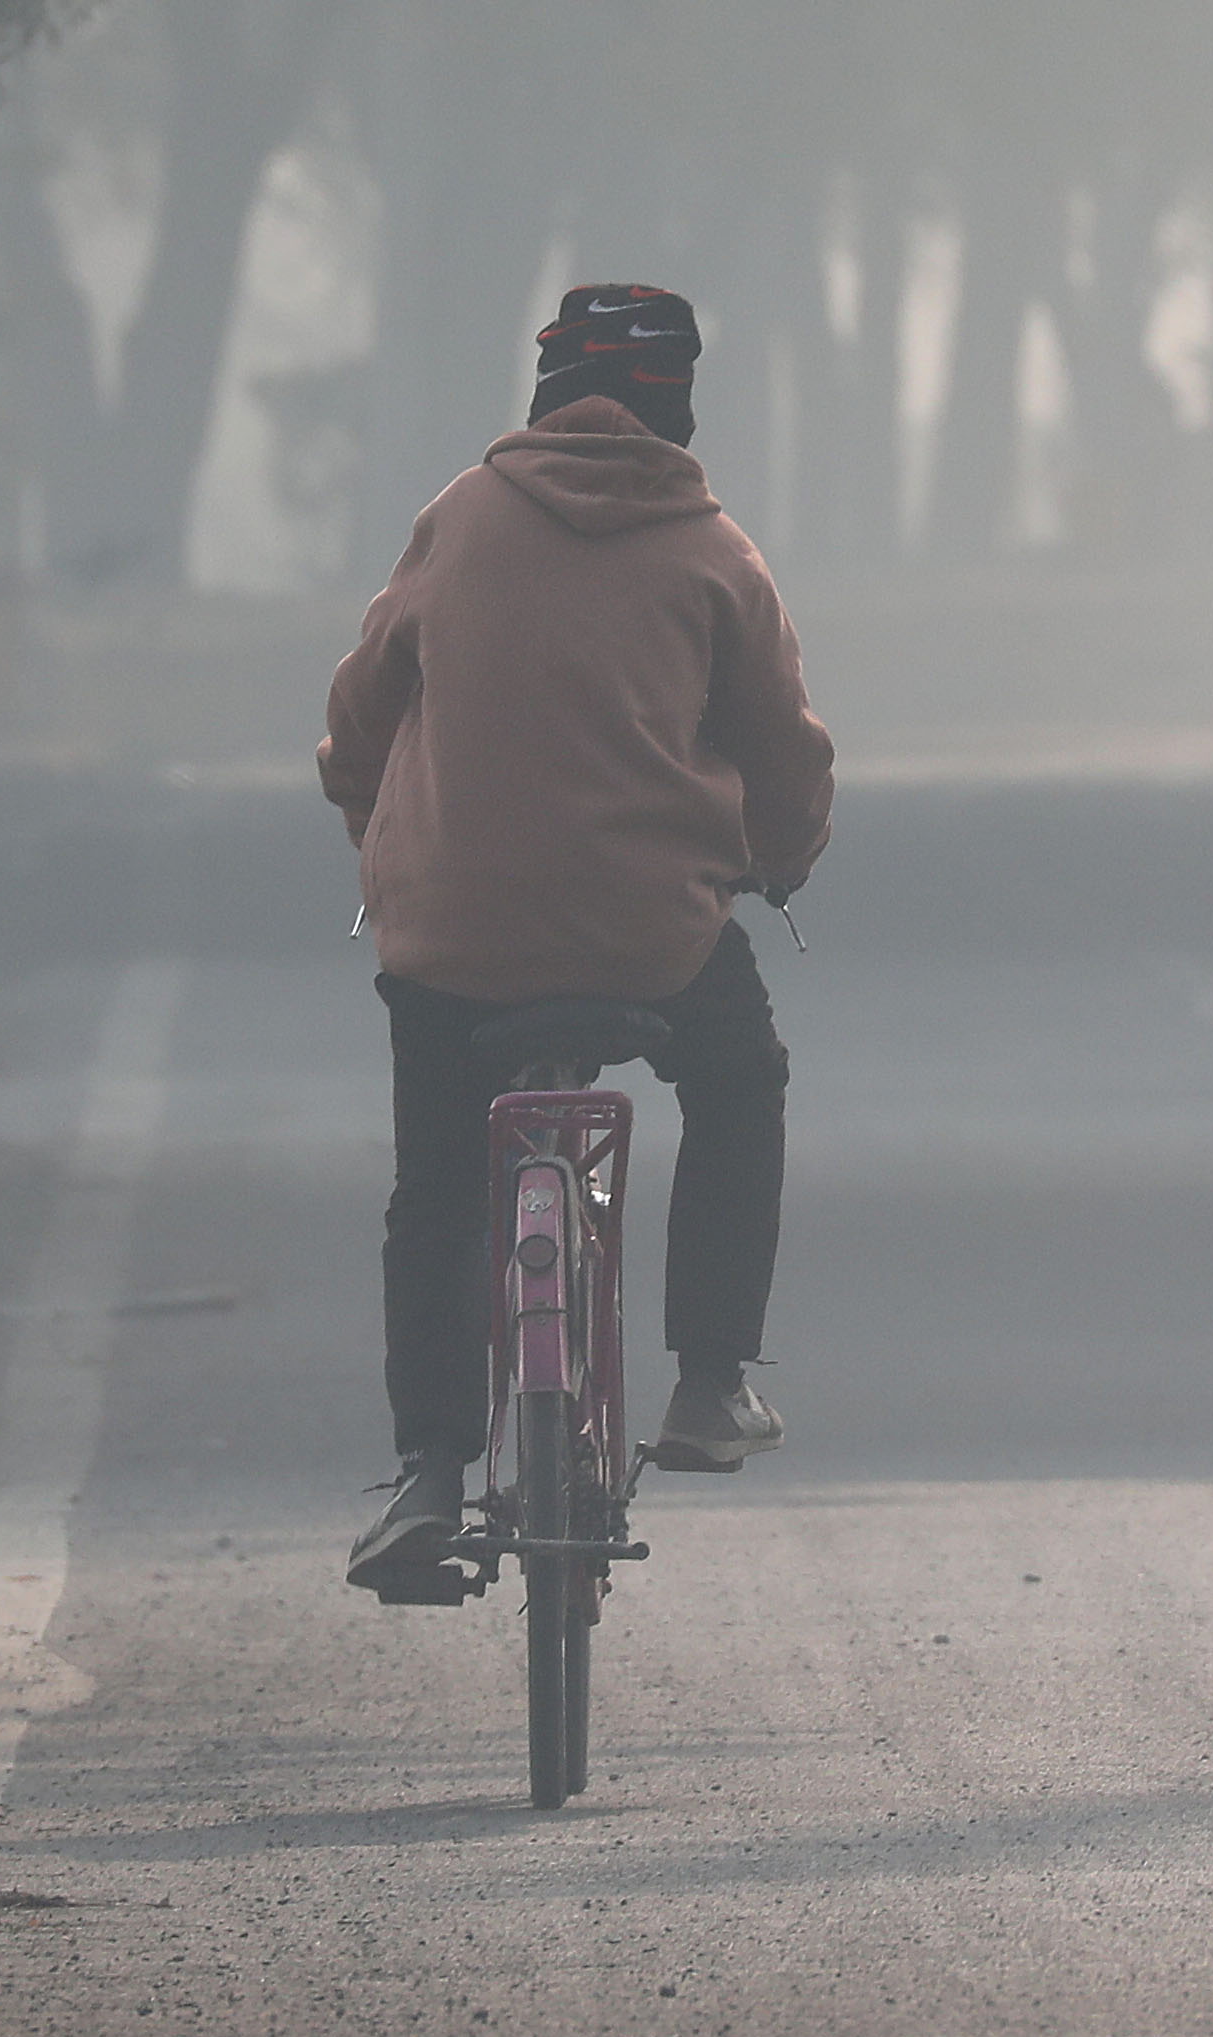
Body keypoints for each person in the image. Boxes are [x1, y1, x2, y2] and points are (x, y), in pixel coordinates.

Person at [319, 284, 837, 1603]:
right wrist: (780, 859)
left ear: (543, 396)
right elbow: (785, 753)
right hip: (651, 937)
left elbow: (361, 714)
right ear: (679, 408)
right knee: (740, 1084)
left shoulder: (458, 521)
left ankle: (431, 1470)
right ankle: (712, 1381)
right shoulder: (719, 552)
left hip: (454, 931)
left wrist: (378, 827)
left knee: (439, 1176)